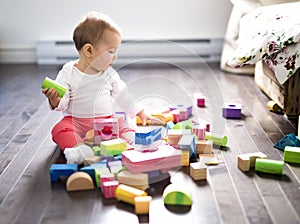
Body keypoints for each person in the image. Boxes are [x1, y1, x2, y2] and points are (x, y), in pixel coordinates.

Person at [42, 11, 151, 164]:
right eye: (111, 51)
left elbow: (123, 94)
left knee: (124, 124)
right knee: (59, 129)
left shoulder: (109, 73)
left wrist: (140, 111)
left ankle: (134, 143)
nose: (115, 56)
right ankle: (80, 149)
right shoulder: (68, 71)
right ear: (89, 51)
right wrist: (55, 100)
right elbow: (63, 101)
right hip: (77, 122)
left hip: (107, 122)